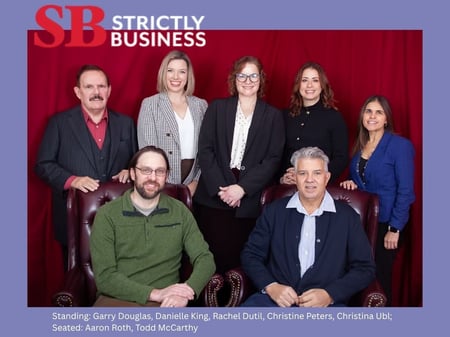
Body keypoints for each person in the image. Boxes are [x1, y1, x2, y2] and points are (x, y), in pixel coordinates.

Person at [241, 147, 375, 307]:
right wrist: (271, 286)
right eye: (303, 173)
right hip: (273, 301)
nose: (309, 179)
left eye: (317, 173)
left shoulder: (348, 217)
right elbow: (251, 255)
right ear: (295, 178)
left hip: (327, 305)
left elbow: (365, 268)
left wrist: (330, 294)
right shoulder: (274, 211)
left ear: (327, 177)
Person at [34, 64, 137, 270]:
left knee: (122, 275)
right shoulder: (59, 123)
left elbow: (136, 160)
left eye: (101, 86)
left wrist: (131, 170)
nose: (96, 92)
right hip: (74, 217)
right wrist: (74, 180)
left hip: (121, 219)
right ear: (78, 92)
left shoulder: (126, 123)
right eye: (89, 87)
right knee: (78, 278)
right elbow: (43, 164)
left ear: (109, 90)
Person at [90, 146, 215, 307]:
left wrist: (186, 292)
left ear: (166, 176)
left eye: (160, 171)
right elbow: (105, 277)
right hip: (117, 299)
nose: (153, 178)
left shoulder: (179, 211)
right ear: (133, 173)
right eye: (146, 170)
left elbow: (205, 259)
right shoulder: (107, 215)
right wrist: (155, 294)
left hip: (166, 302)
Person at [194, 55, 285, 274]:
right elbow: (205, 150)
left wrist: (242, 189)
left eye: (253, 75)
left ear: (261, 79)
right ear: (234, 79)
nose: (247, 80)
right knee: (209, 262)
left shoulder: (273, 116)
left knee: (241, 264)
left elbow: (273, 159)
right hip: (213, 199)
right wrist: (222, 190)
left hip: (249, 203)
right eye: (241, 75)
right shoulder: (217, 108)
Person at [340, 95, 415, 306]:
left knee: (380, 279)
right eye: (368, 111)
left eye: (378, 112)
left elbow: (406, 191)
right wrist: (349, 183)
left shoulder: (400, 146)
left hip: (387, 224)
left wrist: (395, 228)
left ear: (386, 119)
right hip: (362, 224)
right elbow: (361, 180)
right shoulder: (359, 146)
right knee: (358, 276)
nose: (372, 116)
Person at [137, 50, 207, 196]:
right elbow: (148, 151)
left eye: (182, 72)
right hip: (161, 180)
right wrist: (161, 182)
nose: (175, 77)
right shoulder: (151, 104)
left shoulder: (201, 105)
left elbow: (207, 148)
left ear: (188, 76)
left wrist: (196, 181)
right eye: (170, 71)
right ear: (164, 73)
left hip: (194, 180)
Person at [280, 61, 348, 185]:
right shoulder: (284, 116)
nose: (309, 85)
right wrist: (282, 178)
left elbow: (341, 158)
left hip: (318, 186)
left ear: (322, 85)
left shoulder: (334, 117)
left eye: (315, 80)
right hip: (287, 186)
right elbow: (276, 154)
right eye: (305, 80)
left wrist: (317, 178)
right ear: (298, 85)